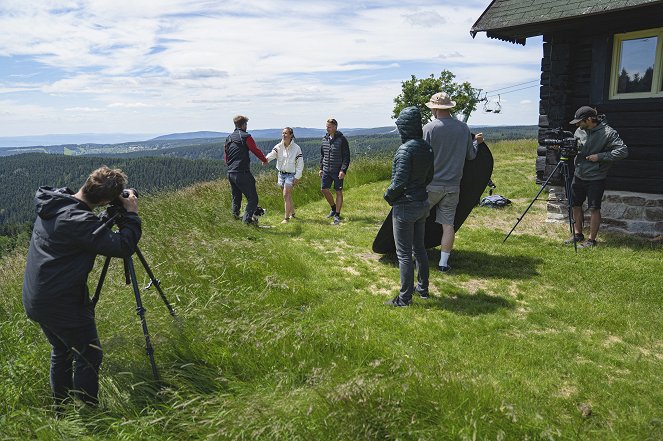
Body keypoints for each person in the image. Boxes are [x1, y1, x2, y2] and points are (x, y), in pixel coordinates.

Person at [22, 166, 141, 409]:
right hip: (61, 303)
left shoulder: (57, 202)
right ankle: (89, 412)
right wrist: (130, 215)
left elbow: (84, 231)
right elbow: (123, 246)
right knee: (89, 355)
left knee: (62, 348)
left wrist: (106, 216)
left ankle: (62, 409)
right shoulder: (79, 221)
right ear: (106, 199)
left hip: (38, 298)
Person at [423, 92, 483, 273]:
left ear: (434, 108)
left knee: (417, 220)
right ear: (449, 107)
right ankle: (443, 264)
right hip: (452, 186)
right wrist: (476, 143)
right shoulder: (463, 128)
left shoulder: (429, 128)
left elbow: (423, 157)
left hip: (430, 185)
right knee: (448, 225)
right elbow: (471, 156)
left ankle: (413, 255)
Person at [383, 106, 434, 307]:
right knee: (419, 249)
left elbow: (399, 182)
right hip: (422, 202)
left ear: (405, 127)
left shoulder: (405, 150)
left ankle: (404, 298)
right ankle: (423, 289)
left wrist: (388, 196)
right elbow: (430, 176)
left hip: (405, 205)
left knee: (404, 254)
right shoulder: (426, 147)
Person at [565, 106, 628, 248]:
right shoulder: (579, 130)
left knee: (594, 208)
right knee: (575, 205)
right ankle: (577, 234)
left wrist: (600, 157)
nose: (577, 124)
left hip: (596, 177)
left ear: (589, 119)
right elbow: (576, 148)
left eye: (580, 121)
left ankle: (591, 240)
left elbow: (623, 151)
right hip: (579, 174)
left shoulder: (608, 133)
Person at [225, 115, 268, 225]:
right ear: (244, 125)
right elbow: (255, 150)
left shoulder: (229, 138)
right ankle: (247, 222)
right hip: (242, 172)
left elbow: (227, 157)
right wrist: (264, 159)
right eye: (246, 124)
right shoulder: (245, 136)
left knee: (236, 197)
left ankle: (235, 218)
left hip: (230, 173)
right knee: (253, 199)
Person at [265, 127, 304, 223]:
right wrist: (265, 159)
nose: (283, 135)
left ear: (291, 135)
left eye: (286, 133)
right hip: (281, 174)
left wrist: (297, 176)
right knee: (288, 196)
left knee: (286, 195)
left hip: (291, 175)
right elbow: (272, 154)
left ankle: (286, 218)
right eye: (282, 133)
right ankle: (293, 213)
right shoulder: (278, 146)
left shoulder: (296, 148)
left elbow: (300, 163)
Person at [319, 118, 350, 225]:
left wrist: (343, 170)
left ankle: (337, 214)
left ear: (335, 127)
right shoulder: (324, 139)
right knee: (324, 189)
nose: (327, 128)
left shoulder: (342, 139)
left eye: (329, 127)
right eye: (326, 126)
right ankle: (333, 208)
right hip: (326, 170)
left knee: (338, 192)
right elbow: (322, 155)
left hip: (338, 171)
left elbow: (346, 157)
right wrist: (321, 168)